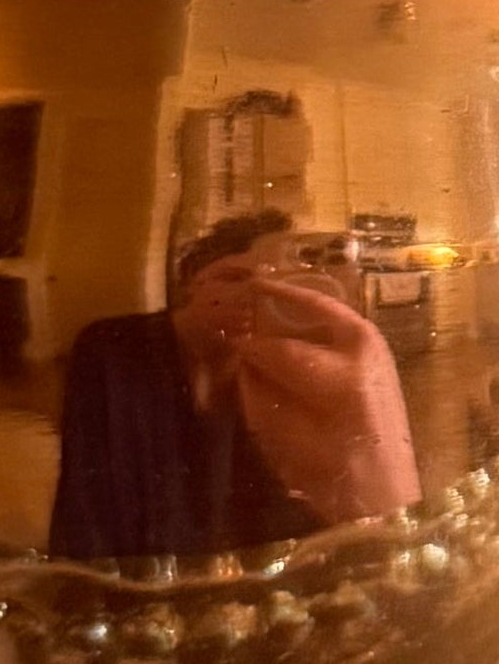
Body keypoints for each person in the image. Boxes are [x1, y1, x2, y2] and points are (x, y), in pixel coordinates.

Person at [48, 209, 420, 562]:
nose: (255, 297)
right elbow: (86, 520)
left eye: (279, 287)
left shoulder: (293, 378)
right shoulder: (112, 347)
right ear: (195, 279)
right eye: (236, 278)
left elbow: (314, 538)